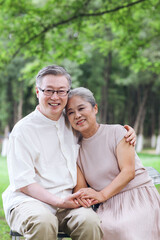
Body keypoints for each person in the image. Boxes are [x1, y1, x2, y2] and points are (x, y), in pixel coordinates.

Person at [2, 65, 135, 240]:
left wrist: (126, 132)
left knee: (90, 222)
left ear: (67, 93)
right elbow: (24, 182)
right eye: (49, 91)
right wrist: (58, 201)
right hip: (29, 202)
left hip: (68, 202)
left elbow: (98, 133)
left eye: (61, 91)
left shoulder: (72, 121)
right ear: (37, 92)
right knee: (43, 222)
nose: (55, 97)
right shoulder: (23, 131)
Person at [66, 87, 160, 240]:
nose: (77, 115)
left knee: (122, 228)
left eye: (81, 108)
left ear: (95, 108)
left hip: (138, 197)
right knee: (101, 227)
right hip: (108, 206)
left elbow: (128, 172)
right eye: (70, 112)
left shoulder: (118, 132)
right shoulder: (76, 151)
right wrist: (86, 197)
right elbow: (82, 189)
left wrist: (101, 195)